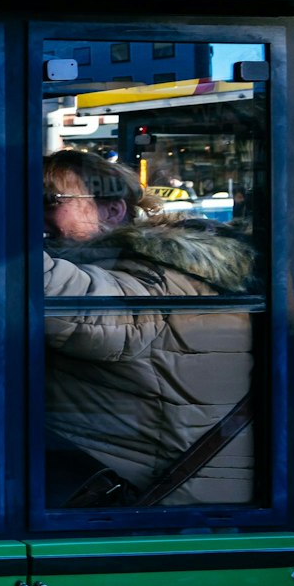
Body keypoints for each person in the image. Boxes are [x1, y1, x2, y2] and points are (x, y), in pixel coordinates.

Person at [38, 148, 256, 506]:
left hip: (163, 513)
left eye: (49, 201)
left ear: (113, 210)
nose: (32, 217)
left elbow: (39, 292)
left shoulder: (153, 278)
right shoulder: (132, 269)